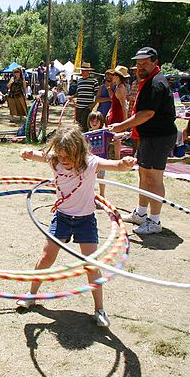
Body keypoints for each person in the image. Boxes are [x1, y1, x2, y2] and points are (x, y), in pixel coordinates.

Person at [16, 128, 137, 327]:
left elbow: (114, 165)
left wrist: (124, 164)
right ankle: (31, 295)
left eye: (68, 157)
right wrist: (26, 153)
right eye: (61, 155)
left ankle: (99, 309)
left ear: (79, 153)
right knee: (46, 257)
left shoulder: (90, 163)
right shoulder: (55, 160)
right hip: (62, 218)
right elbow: (36, 155)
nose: (64, 161)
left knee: (90, 264)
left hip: (85, 221)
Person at [109, 47, 178, 235]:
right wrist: (129, 131)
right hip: (149, 137)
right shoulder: (147, 81)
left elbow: (147, 113)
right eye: (138, 64)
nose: (140, 67)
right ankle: (141, 213)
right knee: (143, 174)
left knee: (154, 178)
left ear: (155, 63)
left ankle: (154, 221)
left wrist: (122, 126)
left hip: (159, 137)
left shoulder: (156, 83)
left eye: (145, 63)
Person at [106, 65, 130, 160]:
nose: (112, 76)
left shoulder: (120, 89)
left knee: (116, 138)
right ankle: (114, 156)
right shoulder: (118, 87)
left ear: (118, 76)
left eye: (114, 75)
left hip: (118, 115)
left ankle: (117, 157)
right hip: (114, 113)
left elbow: (124, 105)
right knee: (113, 137)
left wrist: (125, 121)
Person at [72, 62, 98, 133]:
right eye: (82, 70)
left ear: (88, 71)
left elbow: (97, 94)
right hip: (79, 106)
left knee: (84, 124)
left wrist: (93, 105)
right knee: (78, 124)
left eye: (84, 70)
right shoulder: (79, 81)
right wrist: (72, 97)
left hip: (87, 107)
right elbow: (79, 93)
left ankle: (84, 140)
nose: (82, 72)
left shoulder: (94, 81)